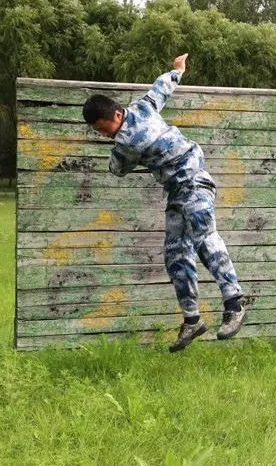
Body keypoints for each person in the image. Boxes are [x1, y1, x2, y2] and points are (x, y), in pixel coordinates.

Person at [81, 53, 246, 352]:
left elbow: (117, 169)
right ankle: (192, 320)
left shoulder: (128, 143)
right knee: (175, 255)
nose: (102, 134)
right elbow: (161, 88)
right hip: (177, 191)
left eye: (101, 128)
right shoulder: (143, 106)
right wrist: (177, 70)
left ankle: (235, 303)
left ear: (116, 116)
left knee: (205, 240)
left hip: (194, 183)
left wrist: (114, 156)